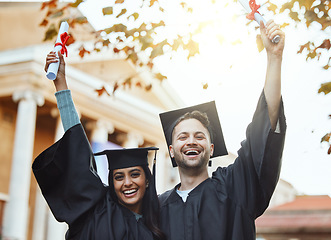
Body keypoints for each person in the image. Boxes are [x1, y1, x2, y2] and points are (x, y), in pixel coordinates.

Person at [158, 20, 286, 240]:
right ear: (171, 150)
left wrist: (274, 58)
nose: (191, 141)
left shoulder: (235, 187)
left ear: (211, 148)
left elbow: (263, 132)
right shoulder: (156, 208)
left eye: (200, 136)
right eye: (183, 136)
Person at [32, 51, 166, 240]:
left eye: (135, 174)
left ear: (148, 180)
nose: (127, 183)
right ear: (111, 182)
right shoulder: (96, 209)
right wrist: (60, 83)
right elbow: (77, 151)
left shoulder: (160, 224)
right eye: (119, 176)